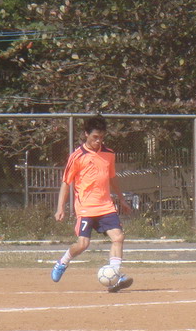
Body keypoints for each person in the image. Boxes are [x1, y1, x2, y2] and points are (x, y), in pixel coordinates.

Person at [50, 115, 134, 293]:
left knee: (118, 238)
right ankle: (63, 262)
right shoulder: (77, 156)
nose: (98, 141)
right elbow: (66, 182)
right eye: (95, 137)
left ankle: (115, 277)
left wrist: (121, 199)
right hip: (86, 208)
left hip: (106, 206)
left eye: (101, 137)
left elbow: (112, 178)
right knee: (83, 244)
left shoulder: (109, 154)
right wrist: (60, 208)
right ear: (86, 134)